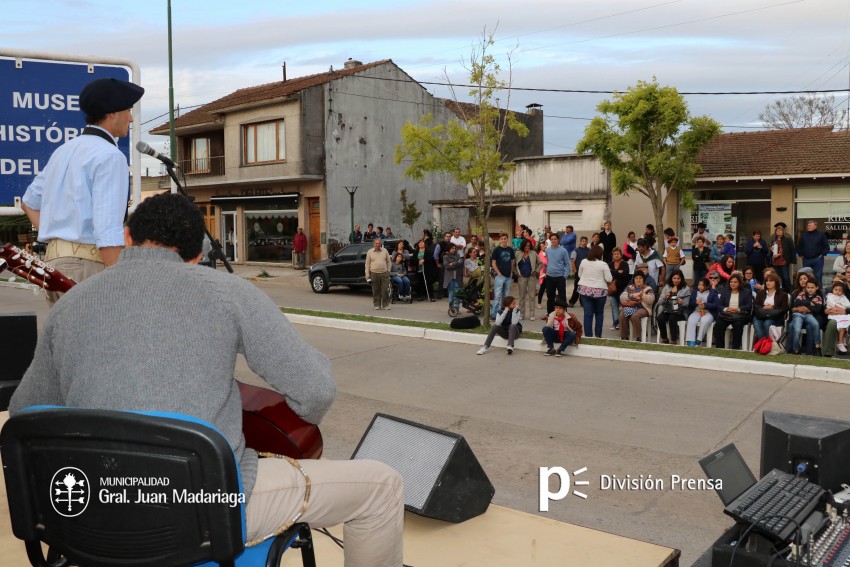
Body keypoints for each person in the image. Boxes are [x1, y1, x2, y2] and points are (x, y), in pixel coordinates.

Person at [9, 193, 404, 566]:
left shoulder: (69, 306)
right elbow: (316, 393)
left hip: (88, 516)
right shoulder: (228, 293)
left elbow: (24, 413)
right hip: (203, 510)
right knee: (382, 487)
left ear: (127, 237)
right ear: (197, 256)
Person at [21, 77, 144, 305]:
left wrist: (60, 237)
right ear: (111, 113)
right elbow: (107, 231)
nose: (131, 117)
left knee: (67, 340)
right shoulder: (110, 156)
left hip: (54, 267)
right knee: (100, 340)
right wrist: (124, 284)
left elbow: (28, 202)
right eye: (128, 110)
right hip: (88, 267)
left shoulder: (63, 151)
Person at [578, 246, 612, 338]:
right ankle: (598, 335)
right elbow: (609, 278)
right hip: (600, 291)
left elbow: (580, 275)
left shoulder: (583, 262)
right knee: (599, 313)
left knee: (588, 314)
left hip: (585, 291)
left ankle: (588, 336)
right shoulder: (603, 264)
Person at [712, 273, 753, 350]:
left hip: (739, 315)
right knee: (719, 324)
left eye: (735, 282)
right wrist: (726, 309)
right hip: (726, 314)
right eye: (731, 282)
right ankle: (719, 348)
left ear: (739, 283)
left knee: (738, 325)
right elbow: (719, 305)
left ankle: (735, 348)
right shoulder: (725, 291)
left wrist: (738, 309)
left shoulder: (746, 292)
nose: (733, 284)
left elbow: (749, 306)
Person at [786, 279, 825, 356]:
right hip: (798, 314)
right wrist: (810, 304)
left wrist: (807, 307)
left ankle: (817, 345)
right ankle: (796, 348)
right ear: (806, 288)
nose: (810, 289)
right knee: (797, 330)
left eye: (812, 287)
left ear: (817, 288)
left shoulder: (818, 297)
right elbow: (796, 302)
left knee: (816, 324)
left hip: (809, 315)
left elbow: (817, 309)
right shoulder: (802, 294)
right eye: (808, 287)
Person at [657, 269, 691, 344]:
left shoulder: (686, 289)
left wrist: (681, 301)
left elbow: (687, 304)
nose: (676, 280)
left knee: (672, 317)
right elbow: (659, 302)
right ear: (671, 278)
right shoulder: (667, 287)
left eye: (678, 278)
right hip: (668, 309)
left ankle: (674, 339)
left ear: (681, 279)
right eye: (674, 278)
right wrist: (665, 296)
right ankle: (664, 338)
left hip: (680, 312)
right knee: (660, 318)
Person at [618, 271, 655, 341]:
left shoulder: (648, 288)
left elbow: (651, 299)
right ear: (634, 280)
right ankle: (624, 337)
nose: (638, 280)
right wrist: (631, 295)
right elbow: (622, 297)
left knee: (635, 316)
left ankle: (638, 337)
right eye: (636, 278)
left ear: (643, 280)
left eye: (640, 278)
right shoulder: (630, 287)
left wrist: (642, 295)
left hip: (643, 308)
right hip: (630, 306)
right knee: (622, 314)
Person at [752, 273, 789, 341]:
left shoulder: (783, 294)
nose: (768, 283)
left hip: (774, 316)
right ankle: (764, 343)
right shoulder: (760, 293)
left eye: (771, 281)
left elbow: (785, 308)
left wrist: (773, 307)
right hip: (761, 315)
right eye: (767, 281)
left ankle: (767, 344)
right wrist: (763, 307)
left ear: (776, 282)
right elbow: (756, 305)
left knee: (767, 323)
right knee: (757, 323)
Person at [685, 277, 720, 347]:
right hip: (697, 311)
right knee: (691, 320)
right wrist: (695, 302)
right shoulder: (695, 292)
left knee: (704, 320)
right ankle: (690, 341)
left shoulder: (713, 293)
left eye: (702, 285)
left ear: (707, 286)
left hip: (708, 312)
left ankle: (698, 340)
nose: (700, 287)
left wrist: (705, 305)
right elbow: (690, 303)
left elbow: (716, 304)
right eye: (699, 285)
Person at [824, 272, 850, 356]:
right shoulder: (829, 292)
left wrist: (845, 310)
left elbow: (847, 304)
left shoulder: (843, 295)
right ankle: (828, 352)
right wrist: (826, 310)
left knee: (846, 322)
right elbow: (825, 304)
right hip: (834, 314)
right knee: (832, 324)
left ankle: (841, 340)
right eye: (833, 282)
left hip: (846, 314)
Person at [490, 233, 516, 320]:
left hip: (508, 276)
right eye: (502, 239)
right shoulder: (496, 250)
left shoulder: (510, 250)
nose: (503, 240)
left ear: (507, 239)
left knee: (505, 296)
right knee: (497, 296)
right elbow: (493, 263)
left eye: (505, 238)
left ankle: (503, 313)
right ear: (499, 240)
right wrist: (498, 273)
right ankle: (493, 314)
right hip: (500, 276)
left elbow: (512, 261)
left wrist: (511, 272)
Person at [797, 219, 830, 286]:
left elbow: (826, 246)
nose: (808, 227)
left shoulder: (821, 235)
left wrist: (822, 255)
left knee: (818, 276)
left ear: (815, 226)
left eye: (810, 225)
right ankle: (807, 290)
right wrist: (801, 254)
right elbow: (799, 246)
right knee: (806, 276)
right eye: (808, 225)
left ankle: (819, 291)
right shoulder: (804, 235)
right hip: (806, 259)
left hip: (817, 259)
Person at [515, 239, 541, 320]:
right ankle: (521, 314)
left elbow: (540, 263)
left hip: (531, 277)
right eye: (526, 246)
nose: (527, 247)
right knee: (522, 297)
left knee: (532, 296)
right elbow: (513, 265)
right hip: (521, 277)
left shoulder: (533, 253)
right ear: (523, 246)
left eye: (529, 246)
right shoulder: (518, 253)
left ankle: (532, 314)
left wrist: (536, 271)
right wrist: (517, 273)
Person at [544, 234, 570, 315]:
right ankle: (550, 314)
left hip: (560, 277)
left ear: (558, 240)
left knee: (562, 297)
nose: (553, 240)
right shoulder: (547, 250)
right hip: (550, 277)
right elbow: (547, 262)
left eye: (555, 239)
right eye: (551, 239)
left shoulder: (563, 250)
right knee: (550, 297)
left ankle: (564, 314)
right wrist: (546, 273)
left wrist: (564, 276)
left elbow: (567, 264)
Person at [608, 247, 631, 332]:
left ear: (621, 255)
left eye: (618, 254)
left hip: (622, 289)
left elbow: (625, 274)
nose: (616, 255)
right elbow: (608, 275)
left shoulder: (625, 264)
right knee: (614, 307)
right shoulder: (609, 264)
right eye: (615, 254)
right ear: (612, 255)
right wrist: (618, 272)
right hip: (611, 289)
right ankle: (616, 323)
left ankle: (623, 323)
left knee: (623, 307)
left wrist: (614, 272)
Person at [365, 237, 391, 310]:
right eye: (376, 243)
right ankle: (377, 305)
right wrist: (367, 274)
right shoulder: (370, 252)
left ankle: (386, 305)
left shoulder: (385, 251)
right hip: (374, 273)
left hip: (384, 273)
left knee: (385, 290)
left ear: (381, 244)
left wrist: (388, 271)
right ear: (373, 244)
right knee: (376, 290)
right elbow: (367, 264)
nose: (377, 245)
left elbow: (389, 261)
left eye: (379, 243)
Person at [770, 222, 796, 292]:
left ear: (783, 231)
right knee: (778, 278)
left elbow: (792, 249)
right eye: (777, 231)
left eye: (780, 231)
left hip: (784, 261)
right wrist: (771, 249)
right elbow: (770, 250)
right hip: (775, 261)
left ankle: (790, 291)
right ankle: (780, 291)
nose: (778, 232)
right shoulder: (773, 240)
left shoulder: (788, 239)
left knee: (786, 277)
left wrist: (792, 261)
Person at [568, 236, 590, 307]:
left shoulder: (589, 250)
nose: (584, 242)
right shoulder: (576, 250)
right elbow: (572, 261)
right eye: (583, 241)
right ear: (580, 242)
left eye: (585, 241)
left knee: (585, 287)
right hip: (578, 271)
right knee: (577, 287)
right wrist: (575, 270)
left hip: (586, 272)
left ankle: (582, 301)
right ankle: (572, 301)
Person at [442, 243, 463, 308]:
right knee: (451, 292)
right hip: (450, 277)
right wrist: (456, 264)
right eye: (452, 248)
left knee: (457, 292)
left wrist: (452, 263)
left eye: (454, 248)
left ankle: (456, 308)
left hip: (457, 276)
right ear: (449, 249)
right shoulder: (445, 257)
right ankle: (451, 307)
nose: (454, 249)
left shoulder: (458, 255)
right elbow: (447, 267)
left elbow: (461, 263)